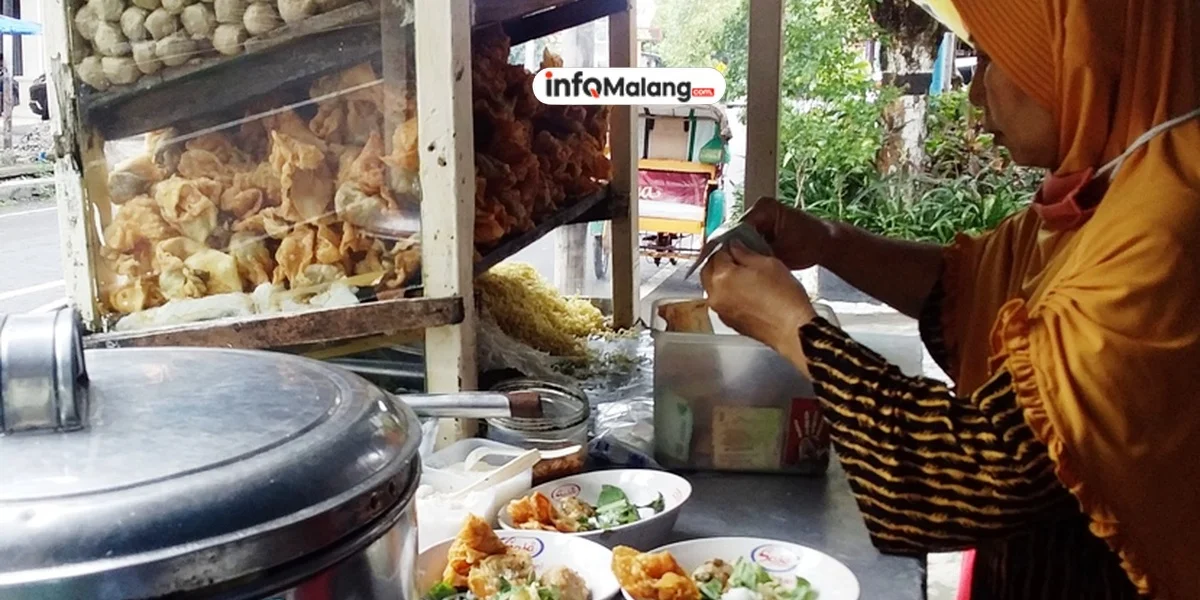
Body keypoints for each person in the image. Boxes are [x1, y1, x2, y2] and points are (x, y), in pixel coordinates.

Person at [699, 0, 1200, 598]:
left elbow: (966, 473)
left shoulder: (1167, 229)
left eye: (990, 58)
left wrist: (792, 327)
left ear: (1082, 53)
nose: (975, 96)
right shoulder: (1112, 186)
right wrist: (828, 241)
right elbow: (971, 285)